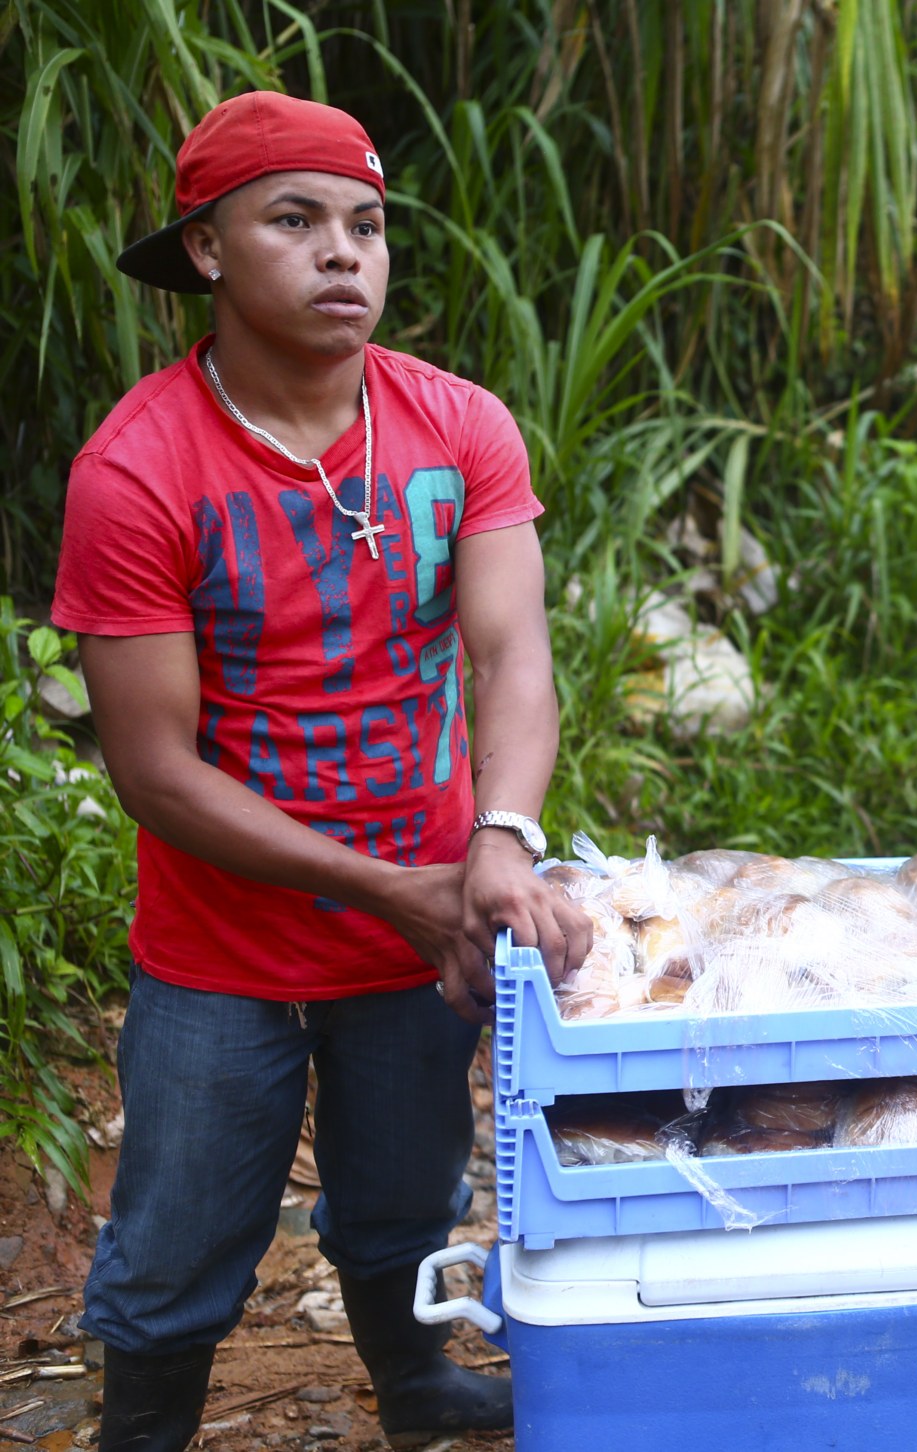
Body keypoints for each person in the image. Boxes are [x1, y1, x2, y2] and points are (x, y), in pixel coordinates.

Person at [50, 92, 592, 1449]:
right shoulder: (138, 470)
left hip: (424, 917)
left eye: (366, 223)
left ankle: (414, 1391)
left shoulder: (458, 427)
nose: (343, 251)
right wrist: (390, 890)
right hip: (221, 950)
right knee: (178, 1234)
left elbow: (512, 656)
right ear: (207, 249)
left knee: (408, 1192)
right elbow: (154, 772)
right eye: (294, 221)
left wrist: (500, 838)